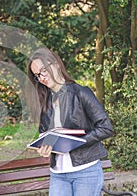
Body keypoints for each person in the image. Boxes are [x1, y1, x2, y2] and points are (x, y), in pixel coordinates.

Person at [26, 46, 113, 196]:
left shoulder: (81, 93)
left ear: (56, 64)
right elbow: (46, 134)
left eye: (43, 71)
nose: (41, 78)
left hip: (86, 172)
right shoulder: (44, 102)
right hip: (58, 174)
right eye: (37, 75)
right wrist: (46, 147)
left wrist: (76, 142)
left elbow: (106, 127)